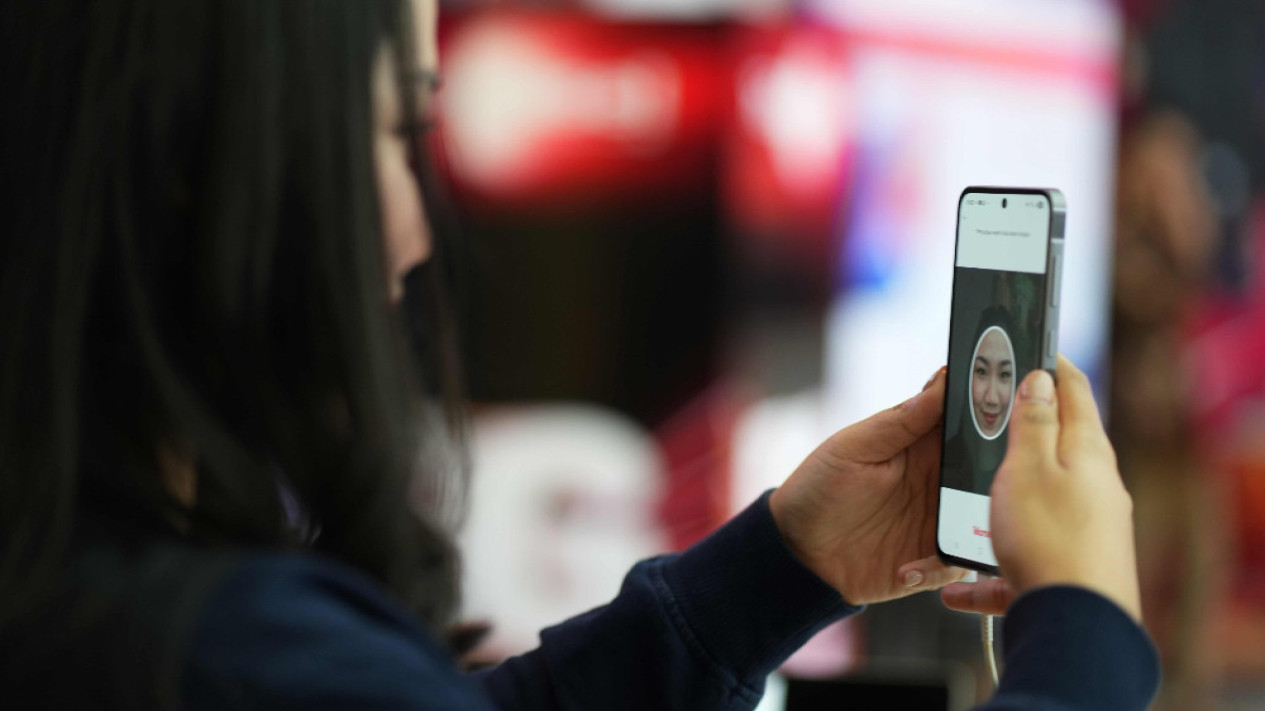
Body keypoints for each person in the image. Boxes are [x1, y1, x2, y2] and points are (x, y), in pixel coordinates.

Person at [0, 1, 1158, 710]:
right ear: (207, 159)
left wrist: (776, 571)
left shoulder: (106, 599)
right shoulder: (220, 658)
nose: (415, 232)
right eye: (399, 131)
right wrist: (1083, 634)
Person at [943, 306, 1020, 493]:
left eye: (1004, 374)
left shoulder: (1028, 473)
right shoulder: (945, 463)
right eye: (982, 371)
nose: (991, 398)